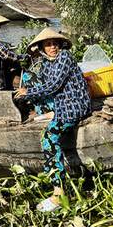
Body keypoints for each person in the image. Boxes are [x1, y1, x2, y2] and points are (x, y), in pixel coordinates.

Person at [15, 28, 92, 212]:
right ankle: (49, 112)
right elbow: (38, 79)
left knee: (48, 138)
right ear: (41, 47)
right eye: (48, 44)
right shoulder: (46, 62)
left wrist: (28, 92)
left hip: (74, 105)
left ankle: (59, 193)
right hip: (59, 103)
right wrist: (27, 71)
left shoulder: (65, 57)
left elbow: (53, 85)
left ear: (60, 45)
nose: (53, 47)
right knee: (28, 77)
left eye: (55, 43)